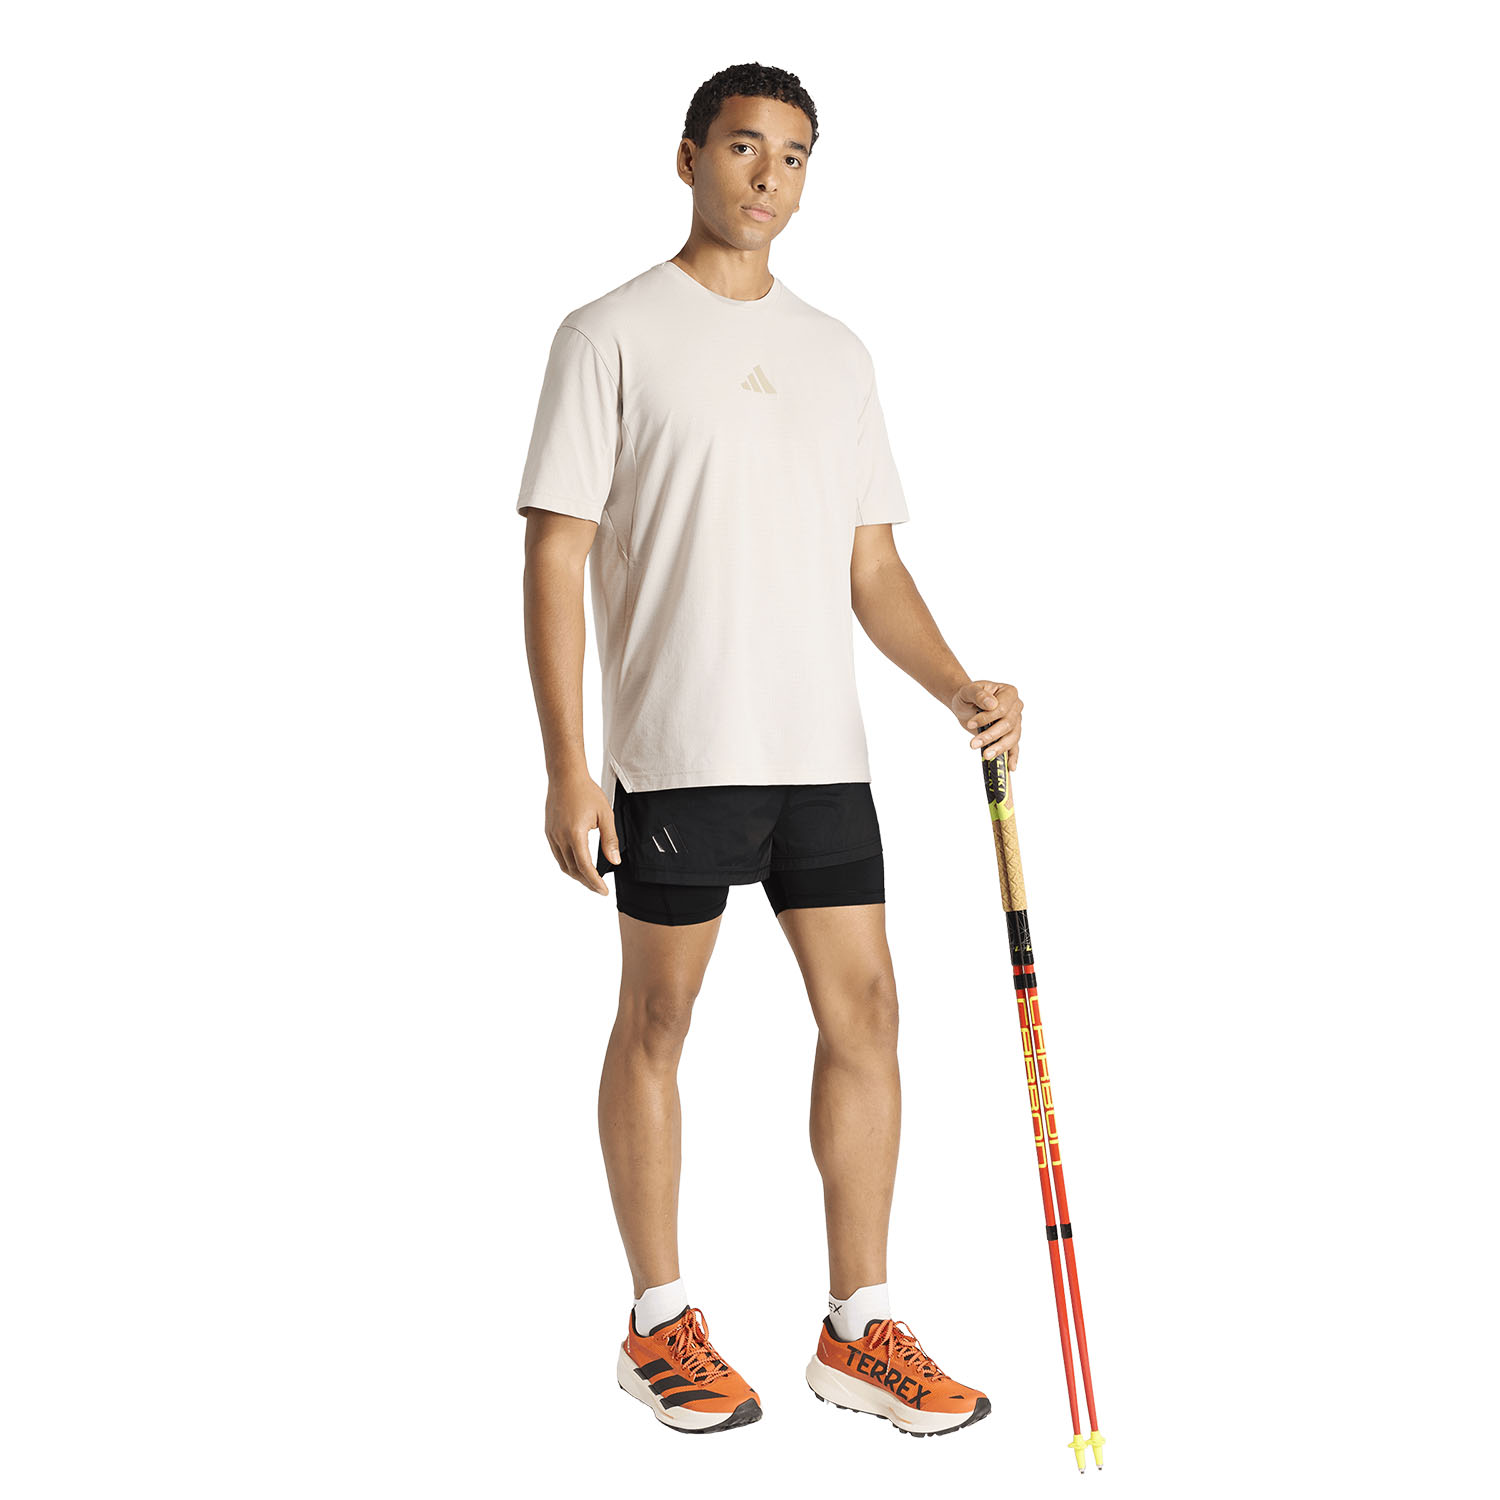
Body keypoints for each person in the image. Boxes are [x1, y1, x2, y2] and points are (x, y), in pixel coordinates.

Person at [515, 61, 1022, 1437]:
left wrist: (958, 686)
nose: (769, 177)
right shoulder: (608, 334)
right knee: (659, 1021)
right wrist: (568, 763)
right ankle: (657, 1322)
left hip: (821, 754)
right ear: (688, 158)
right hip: (679, 749)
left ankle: (859, 1329)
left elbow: (872, 566)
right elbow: (555, 554)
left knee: (870, 1015)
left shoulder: (837, 353)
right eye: (745, 148)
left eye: (794, 156)